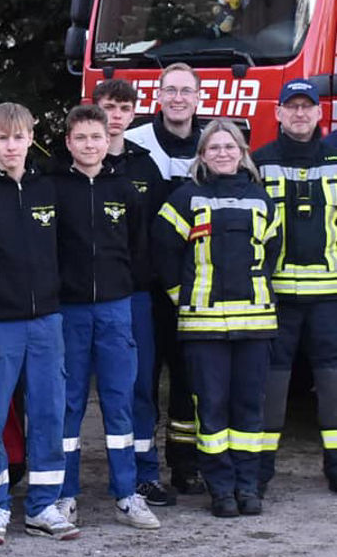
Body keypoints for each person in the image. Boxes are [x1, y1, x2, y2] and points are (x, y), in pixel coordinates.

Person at [0, 102, 78, 544]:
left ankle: (44, 505)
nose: (11, 146)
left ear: (31, 138)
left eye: (18, 137)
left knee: (49, 409)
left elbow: (63, 249)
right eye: (2, 138)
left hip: (46, 319)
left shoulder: (47, 187)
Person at [154, 119, 280, 517]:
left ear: (242, 153)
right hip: (203, 325)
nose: (223, 153)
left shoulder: (262, 199)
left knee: (248, 410)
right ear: (202, 155)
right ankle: (221, 488)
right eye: (214, 148)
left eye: (230, 147)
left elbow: (272, 254)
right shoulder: (184, 198)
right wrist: (183, 297)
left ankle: (248, 486)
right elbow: (163, 253)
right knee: (210, 408)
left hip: (255, 324)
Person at [52, 105, 159, 530]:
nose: (90, 145)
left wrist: (123, 289)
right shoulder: (54, 188)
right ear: (68, 143)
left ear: (106, 140)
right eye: (81, 138)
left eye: (96, 137)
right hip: (69, 311)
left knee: (120, 402)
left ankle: (127, 493)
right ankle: (65, 493)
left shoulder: (125, 189)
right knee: (70, 403)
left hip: (116, 310)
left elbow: (138, 248)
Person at [252, 79, 337, 494]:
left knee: (334, 383)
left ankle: (336, 466)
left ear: (320, 113)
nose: (300, 114)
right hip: (277, 296)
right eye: (292, 107)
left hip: (331, 297)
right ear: (279, 113)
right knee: (272, 382)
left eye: (308, 107)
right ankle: (260, 468)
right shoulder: (259, 163)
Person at [126, 63, 205, 495]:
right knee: (144, 381)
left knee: (188, 381)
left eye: (185, 91)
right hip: (147, 287)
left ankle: (185, 464)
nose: (178, 98)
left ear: (197, 98)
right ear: (159, 96)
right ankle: (144, 468)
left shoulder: (213, 144)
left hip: (196, 286)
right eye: (170, 90)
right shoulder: (138, 143)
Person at [96, 78, 172, 508]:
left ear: (132, 113)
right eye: (109, 106)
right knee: (83, 394)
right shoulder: (69, 166)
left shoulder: (145, 167)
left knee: (140, 386)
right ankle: (74, 481)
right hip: (85, 299)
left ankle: (144, 474)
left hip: (137, 295)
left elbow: (158, 234)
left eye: (125, 108)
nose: (117, 115)